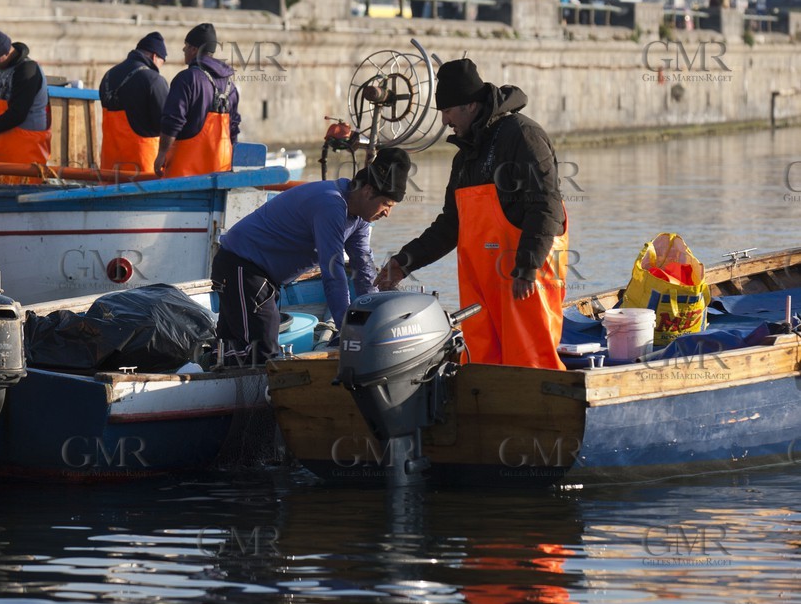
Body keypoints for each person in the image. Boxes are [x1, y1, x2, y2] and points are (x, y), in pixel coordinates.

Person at [376, 57, 567, 371]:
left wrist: (526, 267)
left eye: (448, 111)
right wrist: (403, 262)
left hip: (524, 280)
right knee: (481, 363)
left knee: (531, 362)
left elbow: (545, 206)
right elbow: (451, 225)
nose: (445, 121)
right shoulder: (464, 159)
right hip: (481, 287)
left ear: (469, 105)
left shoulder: (523, 136)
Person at [212, 147, 411, 363]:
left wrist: (373, 317)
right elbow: (333, 274)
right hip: (242, 268)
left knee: (233, 345)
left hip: (264, 278)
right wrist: (347, 331)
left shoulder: (361, 218)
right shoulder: (330, 204)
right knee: (262, 354)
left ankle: (212, 362)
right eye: (386, 204)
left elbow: (363, 270)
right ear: (368, 191)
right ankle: (208, 363)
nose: (387, 213)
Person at [155, 23, 240, 177]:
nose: (183, 49)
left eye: (186, 45)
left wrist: (161, 153)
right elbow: (233, 128)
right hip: (220, 172)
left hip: (185, 174)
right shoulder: (230, 85)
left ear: (194, 49)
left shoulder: (187, 79)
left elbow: (172, 121)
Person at [0, 28, 51, 170]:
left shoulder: (27, 71)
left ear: (7, 51)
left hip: (25, 157)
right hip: (0, 155)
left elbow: (17, 114)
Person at [98, 32, 169, 175]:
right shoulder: (153, 80)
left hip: (109, 167)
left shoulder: (108, 76)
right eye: (162, 62)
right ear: (154, 56)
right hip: (142, 168)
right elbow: (167, 124)